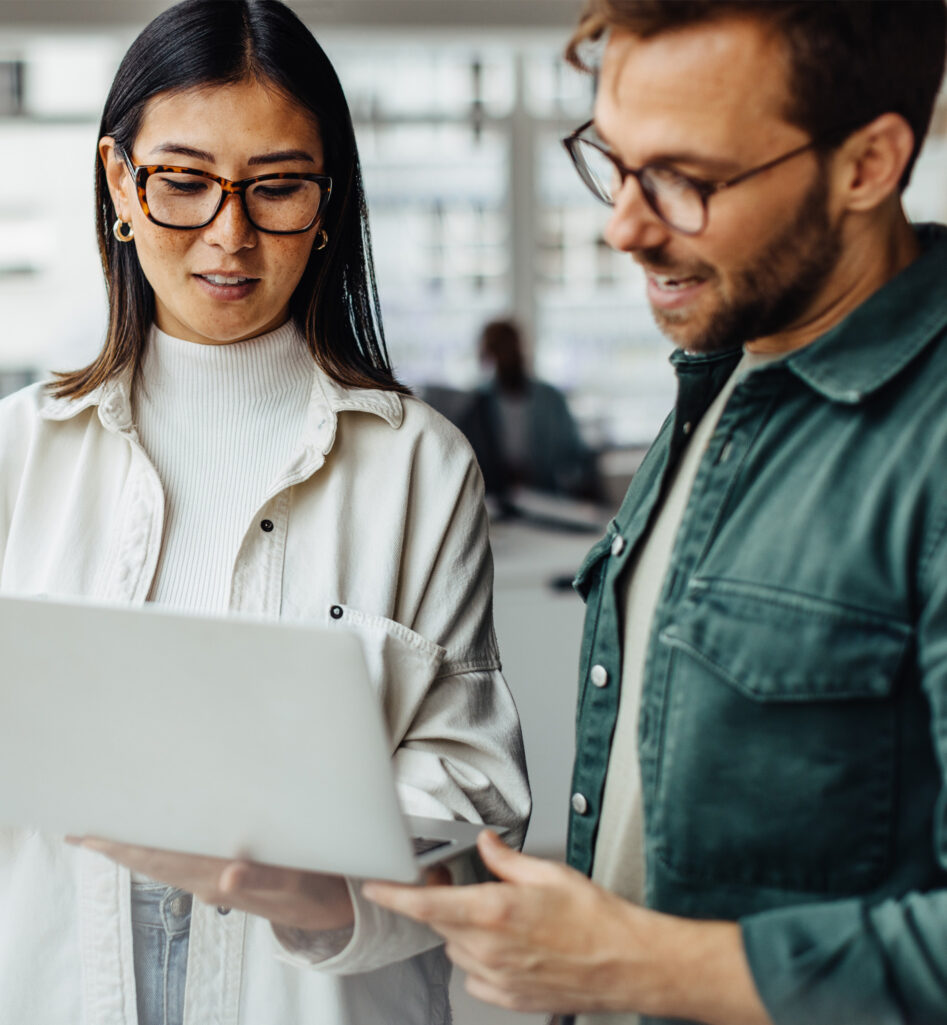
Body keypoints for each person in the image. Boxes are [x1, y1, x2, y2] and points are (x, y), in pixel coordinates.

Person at [364, 3, 947, 1024]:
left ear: (867, 164)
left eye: (685, 179)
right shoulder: (725, 370)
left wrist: (640, 965)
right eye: (612, 161)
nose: (621, 225)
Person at [0, 2, 530, 1024]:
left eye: (277, 186)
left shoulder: (418, 466)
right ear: (121, 181)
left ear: (327, 198)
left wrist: (308, 877)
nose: (229, 235)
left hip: (315, 986)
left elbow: (475, 791)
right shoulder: (17, 452)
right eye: (185, 183)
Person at [460, 318, 602, 501]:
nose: (505, 358)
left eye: (508, 348)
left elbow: (576, 455)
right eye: (498, 351)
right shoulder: (478, 403)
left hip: (547, 498)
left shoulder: (551, 400)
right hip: (495, 501)